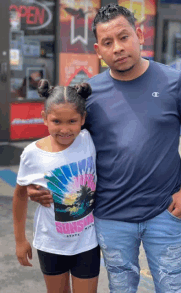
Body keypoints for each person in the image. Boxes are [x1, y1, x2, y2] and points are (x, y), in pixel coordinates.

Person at [27, 4, 181, 293]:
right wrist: (38, 183)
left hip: (164, 212)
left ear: (139, 35)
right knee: (121, 289)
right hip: (110, 216)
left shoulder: (175, 83)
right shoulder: (87, 95)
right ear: (99, 50)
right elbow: (64, 144)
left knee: (173, 288)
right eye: (108, 43)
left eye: (124, 37)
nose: (118, 48)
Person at [13, 80, 100, 293]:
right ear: (44, 118)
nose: (64, 129)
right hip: (51, 244)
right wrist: (20, 240)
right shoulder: (32, 154)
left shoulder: (88, 139)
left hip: (87, 244)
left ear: (83, 119)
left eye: (72, 121)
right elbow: (20, 195)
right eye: (56, 121)